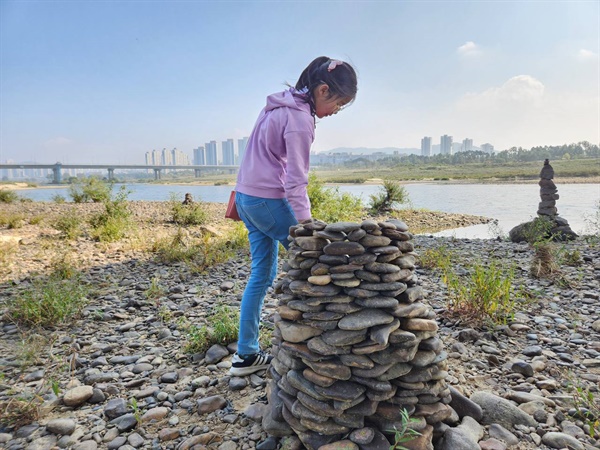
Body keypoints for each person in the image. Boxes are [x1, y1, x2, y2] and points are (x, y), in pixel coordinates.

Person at [230, 56, 358, 376]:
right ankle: (325, 347)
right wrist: (307, 227)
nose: (336, 111)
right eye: (338, 104)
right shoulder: (301, 118)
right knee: (316, 265)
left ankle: (245, 356)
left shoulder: (277, 105)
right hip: (267, 200)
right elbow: (295, 182)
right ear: (323, 89)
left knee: (261, 275)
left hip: (246, 198)